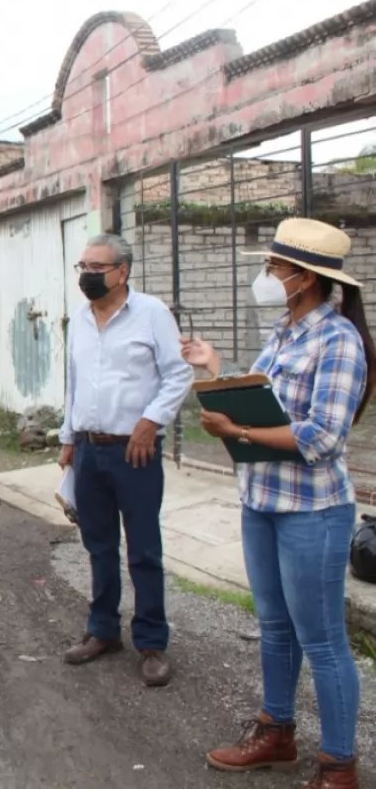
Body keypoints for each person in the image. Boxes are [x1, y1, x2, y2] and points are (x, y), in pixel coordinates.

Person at [183, 218, 371, 788]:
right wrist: (216, 369)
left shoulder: (338, 340)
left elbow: (322, 437)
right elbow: (265, 399)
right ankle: (276, 734)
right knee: (274, 626)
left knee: (323, 640)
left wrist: (236, 432)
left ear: (304, 277)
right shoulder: (284, 331)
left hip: (312, 512)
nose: (265, 276)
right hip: (261, 500)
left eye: (274, 267)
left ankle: (338, 766)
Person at [58, 233, 193, 687]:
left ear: (122, 271)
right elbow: (73, 383)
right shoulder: (79, 319)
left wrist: (150, 422)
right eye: (83, 267)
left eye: (97, 268)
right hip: (88, 449)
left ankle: (152, 642)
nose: (88, 276)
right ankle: (102, 630)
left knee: (144, 549)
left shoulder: (151, 314)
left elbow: (178, 374)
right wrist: (67, 439)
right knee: (98, 545)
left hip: (134, 450)